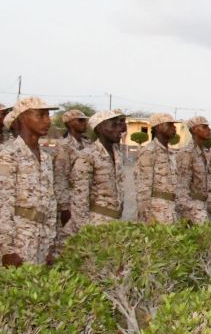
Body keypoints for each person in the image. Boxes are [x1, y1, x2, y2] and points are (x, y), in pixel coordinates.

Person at [0, 97, 60, 266]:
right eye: (41, 115)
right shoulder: (8, 154)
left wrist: (51, 247)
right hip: (19, 240)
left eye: (48, 115)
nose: (48, 121)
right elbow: (3, 204)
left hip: (42, 239)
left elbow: (50, 202)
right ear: (22, 118)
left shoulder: (46, 157)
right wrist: (7, 250)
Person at [71, 109, 126, 230]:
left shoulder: (117, 154)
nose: (120, 129)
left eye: (119, 124)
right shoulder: (87, 156)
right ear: (100, 128)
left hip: (115, 222)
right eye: (114, 125)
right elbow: (79, 200)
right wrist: (83, 231)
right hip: (96, 223)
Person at [134, 113, 179, 224]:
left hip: (171, 211)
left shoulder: (171, 152)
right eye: (170, 124)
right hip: (155, 214)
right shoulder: (149, 152)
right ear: (158, 127)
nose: (174, 127)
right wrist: (146, 218)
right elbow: (143, 189)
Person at [52, 108, 89, 242]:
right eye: (80, 120)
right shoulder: (63, 146)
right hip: (71, 200)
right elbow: (60, 177)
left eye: (85, 120)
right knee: (68, 240)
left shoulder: (87, 144)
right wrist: (64, 207)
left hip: (85, 199)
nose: (84, 123)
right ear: (69, 123)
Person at [176, 116, 211, 224]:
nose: (209, 130)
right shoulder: (187, 153)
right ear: (194, 129)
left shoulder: (205, 153)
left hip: (204, 206)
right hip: (192, 209)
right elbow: (181, 187)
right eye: (204, 127)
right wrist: (187, 214)